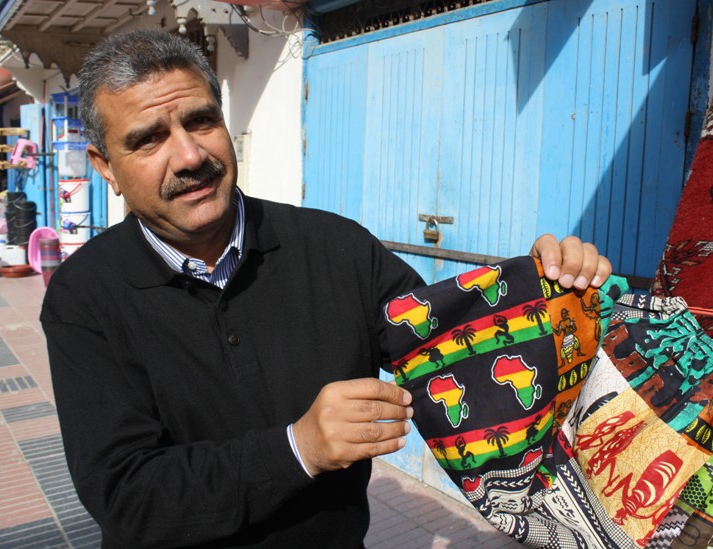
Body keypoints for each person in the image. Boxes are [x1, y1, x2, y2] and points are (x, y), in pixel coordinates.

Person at [40, 29, 612, 548]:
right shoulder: (83, 297)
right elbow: (125, 497)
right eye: (149, 140)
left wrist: (546, 291)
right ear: (105, 166)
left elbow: (455, 344)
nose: (190, 155)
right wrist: (299, 449)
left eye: (201, 121)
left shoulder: (335, 247)